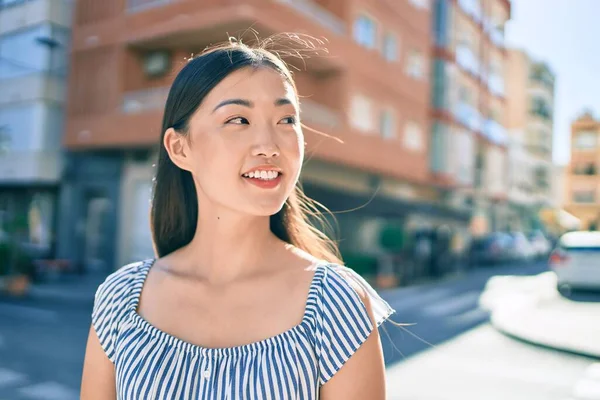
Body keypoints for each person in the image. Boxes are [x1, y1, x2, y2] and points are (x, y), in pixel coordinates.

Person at [81, 37, 394, 399]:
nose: (269, 145)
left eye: (286, 119)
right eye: (238, 119)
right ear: (180, 148)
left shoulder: (336, 303)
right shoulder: (121, 299)